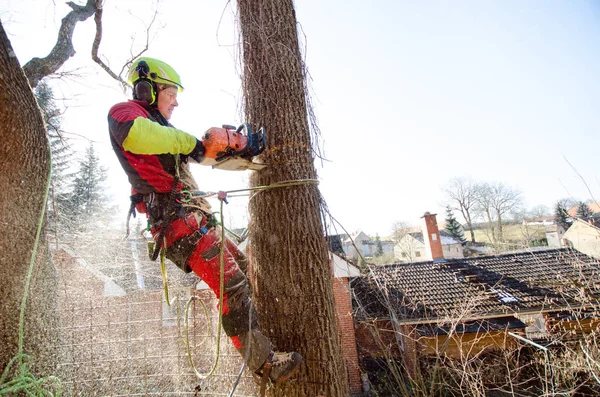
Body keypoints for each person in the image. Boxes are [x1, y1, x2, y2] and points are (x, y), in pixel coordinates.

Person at [107, 57, 302, 383]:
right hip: (179, 225)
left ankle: (256, 340)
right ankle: (265, 364)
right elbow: (138, 135)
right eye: (171, 93)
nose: (176, 101)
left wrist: (231, 148)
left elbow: (201, 152)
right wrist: (192, 143)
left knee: (241, 269)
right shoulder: (125, 114)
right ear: (148, 89)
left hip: (196, 219)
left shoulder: (163, 132)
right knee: (233, 286)